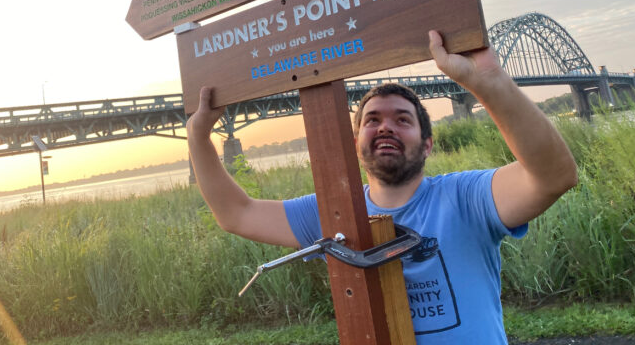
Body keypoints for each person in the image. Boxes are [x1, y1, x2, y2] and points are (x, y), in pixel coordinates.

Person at [186, 30, 577, 344]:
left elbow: (552, 176)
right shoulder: (334, 212)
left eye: (402, 119)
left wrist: (488, 81)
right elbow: (236, 214)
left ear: (427, 144)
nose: (386, 126)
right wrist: (199, 138)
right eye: (372, 120)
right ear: (356, 143)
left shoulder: (465, 197)